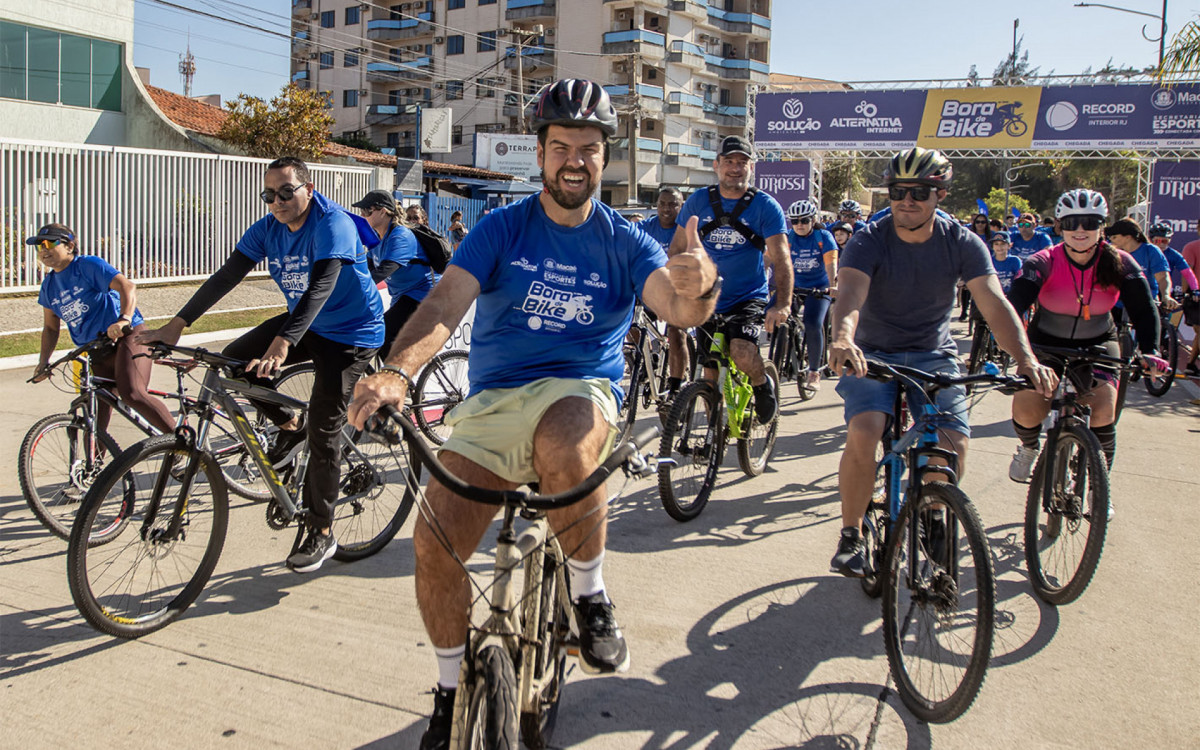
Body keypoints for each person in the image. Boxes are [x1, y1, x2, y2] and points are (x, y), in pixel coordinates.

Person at [343, 79, 719, 750]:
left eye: (588, 148)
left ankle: (590, 596)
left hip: (579, 391)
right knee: (435, 538)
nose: (573, 160)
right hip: (494, 402)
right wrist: (397, 372)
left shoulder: (627, 242)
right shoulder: (500, 229)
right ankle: (449, 690)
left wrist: (702, 284)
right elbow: (442, 308)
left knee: (565, 447)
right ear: (540, 154)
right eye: (559, 147)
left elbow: (679, 308)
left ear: (606, 157)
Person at [137, 156, 384, 573]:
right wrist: (178, 325)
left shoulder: (332, 223)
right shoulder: (267, 229)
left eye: (286, 191)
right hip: (305, 323)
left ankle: (321, 531)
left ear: (308, 187)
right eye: (269, 194)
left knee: (326, 427)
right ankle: (289, 426)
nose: (278, 201)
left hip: (351, 332)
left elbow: (322, 284)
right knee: (231, 363)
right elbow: (225, 276)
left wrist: (285, 340)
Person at [827, 147, 1056, 577]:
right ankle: (851, 534)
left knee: (952, 444)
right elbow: (851, 294)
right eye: (898, 190)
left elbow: (994, 303)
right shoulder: (869, 238)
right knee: (866, 428)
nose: (906, 200)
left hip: (934, 354)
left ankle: (933, 510)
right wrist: (842, 337)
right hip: (871, 352)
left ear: (941, 195)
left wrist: (1025, 359)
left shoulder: (963, 243)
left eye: (919, 191)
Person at [1005, 190, 1163, 517]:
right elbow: (1016, 303)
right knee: (1028, 406)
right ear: (1060, 226)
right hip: (1046, 343)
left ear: (1101, 226)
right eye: (1072, 223)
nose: (1080, 229)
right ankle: (1029, 447)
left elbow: (1145, 310)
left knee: (1103, 411)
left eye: (1089, 223)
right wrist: (1012, 346)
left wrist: (1150, 351)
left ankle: (1097, 487)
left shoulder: (1119, 262)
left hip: (1098, 343)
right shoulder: (1044, 260)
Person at [670, 133, 793, 424]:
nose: (735, 168)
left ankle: (763, 385)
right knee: (709, 368)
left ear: (751, 168)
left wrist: (782, 304)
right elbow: (676, 249)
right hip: (708, 296)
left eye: (742, 162)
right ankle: (715, 432)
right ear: (716, 165)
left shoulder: (765, 206)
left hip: (747, 296)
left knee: (740, 351)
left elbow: (781, 257)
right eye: (729, 161)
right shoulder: (699, 201)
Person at [31, 222, 176, 436]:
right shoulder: (49, 285)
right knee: (95, 412)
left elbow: (127, 286)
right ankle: (95, 468)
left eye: (50, 243)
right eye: (39, 246)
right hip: (96, 348)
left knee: (132, 393)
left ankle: (184, 445)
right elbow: (50, 328)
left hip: (128, 336)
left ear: (70, 246)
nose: (43, 250)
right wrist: (43, 362)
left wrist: (124, 319)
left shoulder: (87, 265)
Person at [352, 189, 435, 356]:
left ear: (383, 212)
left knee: (383, 334)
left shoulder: (401, 236)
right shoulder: (376, 238)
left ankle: (400, 380)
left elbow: (382, 272)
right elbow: (366, 271)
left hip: (422, 295)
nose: (362, 215)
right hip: (401, 297)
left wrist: (350, 291)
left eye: (367, 210)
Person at [639, 187, 688, 395]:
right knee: (628, 320)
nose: (666, 208)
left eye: (672, 204)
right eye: (662, 204)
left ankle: (677, 383)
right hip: (650, 288)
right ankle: (649, 356)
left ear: (681, 206)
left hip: (677, 292)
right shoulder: (645, 227)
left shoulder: (684, 230)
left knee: (677, 334)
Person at [784, 199, 838, 391]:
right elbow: (770, 259)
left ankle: (814, 371)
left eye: (804, 220)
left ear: (813, 220)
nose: (799, 225)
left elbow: (831, 263)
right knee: (770, 312)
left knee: (813, 324)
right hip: (794, 286)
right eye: (795, 221)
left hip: (818, 288)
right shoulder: (789, 237)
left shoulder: (823, 236)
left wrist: (832, 286)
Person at [1105, 218, 1178, 319]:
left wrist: (1165, 296)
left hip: (1145, 302)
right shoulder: (1112, 253)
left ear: (1127, 237)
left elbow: (1162, 278)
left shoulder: (1151, 251)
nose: (1111, 241)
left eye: (1114, 237)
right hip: (1117, 304)